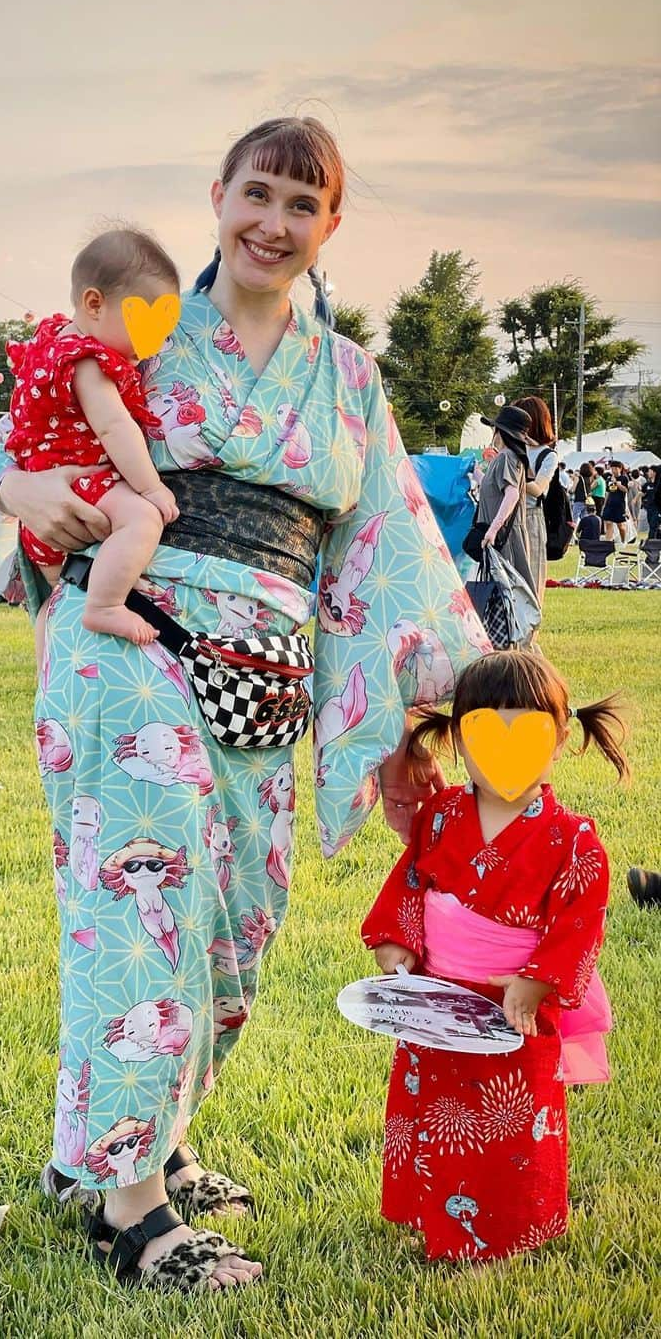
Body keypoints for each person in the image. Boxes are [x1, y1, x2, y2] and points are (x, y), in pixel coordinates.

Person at [0, 116, 489, 1290]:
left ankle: (119, 1148)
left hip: (269, 670)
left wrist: (412, 726)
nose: (273, 222)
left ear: (330, 225)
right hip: (133, 636)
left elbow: (386, 550)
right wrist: (25, 484)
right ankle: (130, 1208)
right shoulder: (144, 323)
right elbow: (0, 450)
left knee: (235, 924)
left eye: (302, 205)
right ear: (218, 195)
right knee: (141, 909)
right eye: (258, 193)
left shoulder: (346, 376)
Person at [361, 650, 625, 1261]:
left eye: (528, 731)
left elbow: (579, 923)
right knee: (432, 1108)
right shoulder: (440, 816)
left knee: (508, 1124)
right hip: (435, 1000)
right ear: (456, 737)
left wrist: (540, 980)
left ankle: (505, 1228)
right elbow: (411, 884)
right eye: (485, 731)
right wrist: (397, 941)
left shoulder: (572, 839)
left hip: (515, 1007)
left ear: (559, 740)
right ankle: (426, 1211)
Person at [5, 227, 181, 651]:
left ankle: (49, 665)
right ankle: (105, 605)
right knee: (142, 518)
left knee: (55, 601)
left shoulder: (50, 343)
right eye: (143, 322)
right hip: (79, 483)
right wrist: (152, 488)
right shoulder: (89, 362)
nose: (152, 343)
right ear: (95, 304)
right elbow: (113, 428)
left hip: (45, 495)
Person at [475, 404, 538, 642]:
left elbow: (511, 495)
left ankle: (518, 646)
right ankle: (510, 643)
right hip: (502, 534)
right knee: (504, 591)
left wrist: (492, 530)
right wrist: (475, 474)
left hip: (505, 536)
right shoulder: (505, 459)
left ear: (500, 432)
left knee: (509, 591)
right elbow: (494, 490)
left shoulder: (509, 457)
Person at [516, 396, 558, 611]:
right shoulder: (508, 447)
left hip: (531, 517)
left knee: (532, 577)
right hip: (507, 517)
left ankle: (528, 638)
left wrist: (513, 474)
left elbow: (539, 489)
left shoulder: (547, 455)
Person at [600, 461, 630, 543]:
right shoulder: (609, 479)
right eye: (612, 468)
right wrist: (604, 505)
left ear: (620, 469)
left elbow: (626, 490)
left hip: (619, 505)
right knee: (608, 523)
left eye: (616, 468)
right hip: (609, 504)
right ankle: (608, 542)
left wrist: (616, 482)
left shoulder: (624, 478)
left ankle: (623, 541)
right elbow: (607, 493)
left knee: (620, 525)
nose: (614, 470)